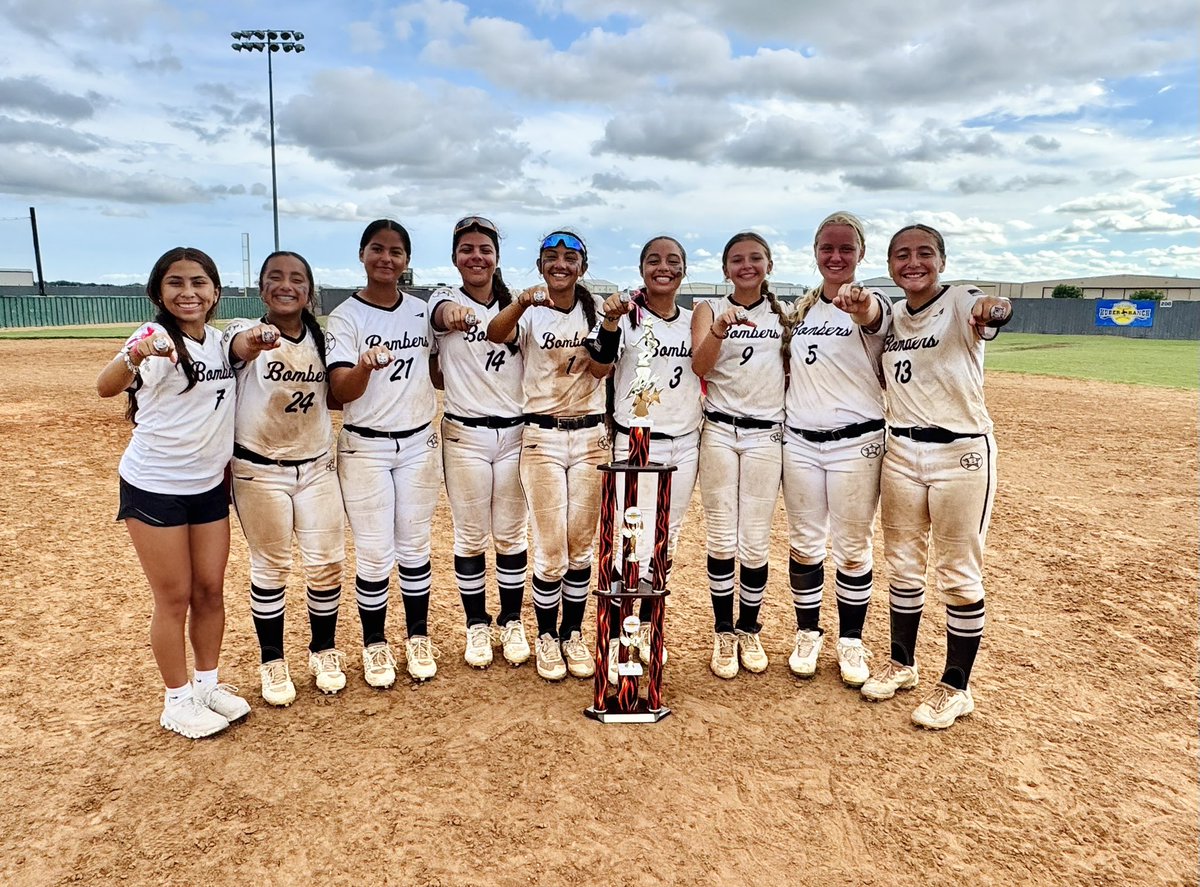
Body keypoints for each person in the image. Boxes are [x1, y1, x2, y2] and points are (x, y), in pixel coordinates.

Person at [835, 223, 1012, 729]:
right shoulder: (892, 314)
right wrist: (859, 301)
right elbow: (870, 314)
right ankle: (901, 663)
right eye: (902, 255)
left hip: (960, 453)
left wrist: (994, 309)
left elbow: (991, 308)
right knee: (904, 564)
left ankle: (956, 687)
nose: (913, 263)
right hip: (902, 451)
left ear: (941, 260)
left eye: (925, 253)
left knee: (958, 570)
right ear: (889, 265)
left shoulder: (960, 300)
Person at [96, 247, 248, 739]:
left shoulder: (222, 343)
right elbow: (105, 385)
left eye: (199, 282)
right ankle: (176, 699)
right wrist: (136, 352)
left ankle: (206, 685)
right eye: (176, 283)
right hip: (155, 485)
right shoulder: (155, 338)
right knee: (174, 596)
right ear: (159, 293)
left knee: (210, 590)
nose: (189, 292)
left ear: (215, 292)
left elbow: (245, 345)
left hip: (207, 486)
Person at [223, 251, 347, 706]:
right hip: (259, 469)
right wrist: (256, 338)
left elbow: (334, 394)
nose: (286, 285)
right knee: (272, 567)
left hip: (316, 466)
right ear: (261, 288)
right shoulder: (244, 329)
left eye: (297, 279)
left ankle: (323, 649)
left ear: (309, 291)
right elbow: (240, 345)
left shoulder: (321, 338)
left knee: (327, 562)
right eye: (275, 278)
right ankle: (272, 660)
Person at [486, 230, 607, 682]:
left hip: (591, 434)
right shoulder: (531, 311)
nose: (561, 264)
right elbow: (496, 333)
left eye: (569, 257)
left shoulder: (594, 312)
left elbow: (602, 366)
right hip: (542, 435)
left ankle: (572, 633)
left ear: (582, 266)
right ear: (540, 266)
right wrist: (520, 301)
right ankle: (546, 636)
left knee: (580, 544)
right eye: (552, 257)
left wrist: (609, 327)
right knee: (551, 546)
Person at [326, 219, 441, 687]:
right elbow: (339, 391)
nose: (386, 259)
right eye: (377, 249)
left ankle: (417, 636)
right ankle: (375, 644)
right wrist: (364, 368)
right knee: (375, 553)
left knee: (415, 547)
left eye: (396, 252)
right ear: (362, 254)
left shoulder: (420, 311)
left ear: (407, 261)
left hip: (418, 442)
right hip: (365, 445)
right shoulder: (346, 316)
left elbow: (438, 370)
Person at [782, 212, 891, 687]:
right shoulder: (801, 312)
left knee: (851, 549)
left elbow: (871, 316)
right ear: (815, 252)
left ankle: (851, 640)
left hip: (856, 442)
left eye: (846, 248)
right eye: (827, 247)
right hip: (800, 441)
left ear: (860, 254)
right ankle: (808, 632)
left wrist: (860, 302)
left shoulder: (869, 303)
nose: (836, 256)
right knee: (805, 545)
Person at [592, 236, 701, 680]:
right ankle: (619, 636)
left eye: (673, 261)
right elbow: (600, 366)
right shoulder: (627, 317)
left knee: (664, 542)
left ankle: (648, 633)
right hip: (637, 441)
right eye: (654, 260)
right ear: (641, 269)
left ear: (684, 271)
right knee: (627, 543)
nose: (664, 267)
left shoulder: (694, 321)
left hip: (684, 442)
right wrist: (611, 321)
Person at [428, 216, 531, 669]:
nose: (476, 256)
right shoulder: (444, 297)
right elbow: (442, 317)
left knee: (511, 534)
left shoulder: (517, 307)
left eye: (484, 249)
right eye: (466, 249)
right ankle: (476, 623)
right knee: (471, 535)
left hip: (514, 431)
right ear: (455, 258)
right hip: (465, 432)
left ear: (497, 258)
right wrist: (455, 316)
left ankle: (511, 620)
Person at [690, 232, 789, 679]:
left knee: (754, 538)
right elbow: (699, 366)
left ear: (768, 264)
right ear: (725, 268)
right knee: (720, 534)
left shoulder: (786, 313)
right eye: (736, 260)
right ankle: (723, 631)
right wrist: (719, 329)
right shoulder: (709, 309)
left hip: (766, 434)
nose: (746, 266)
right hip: (720, 432)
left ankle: (750, 628)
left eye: (755, 258)